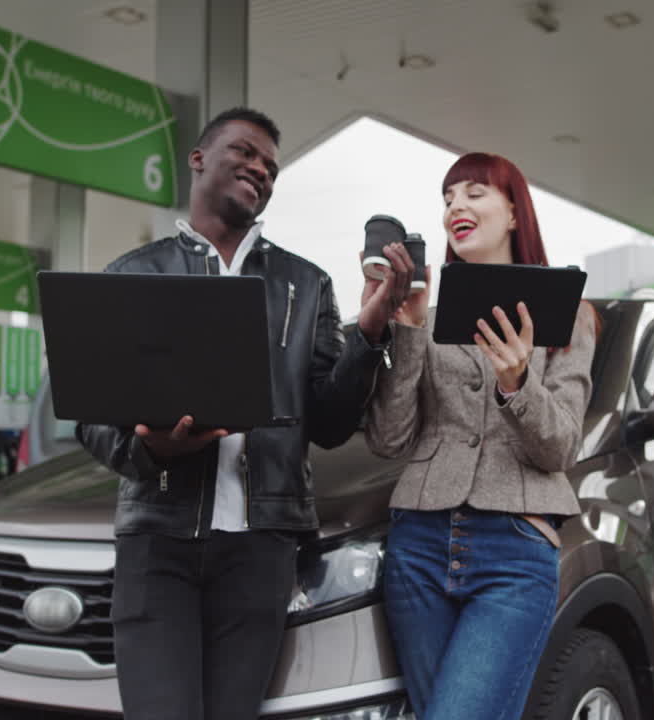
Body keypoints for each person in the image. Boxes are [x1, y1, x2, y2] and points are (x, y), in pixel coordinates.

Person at [76, 107, 412, 720]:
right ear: (198, 158)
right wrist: (152, 451)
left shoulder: (306, 285)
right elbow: (93, 416)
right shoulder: (134, 274)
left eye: (271, 167)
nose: (260, 169)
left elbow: (331, 424)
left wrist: (367, 334)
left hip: (262, 549)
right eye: (245, 152)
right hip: (157, 541)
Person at [364, 152, 598, 719]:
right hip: (418, 545)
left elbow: (561, 448)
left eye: (474, 193)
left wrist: (518, 384)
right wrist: (408, 330)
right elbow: (389, 439)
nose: (455, 208)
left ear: (515, 212)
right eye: (448, 198)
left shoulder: (569, 315)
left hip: (514, 551)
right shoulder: (426, 313)